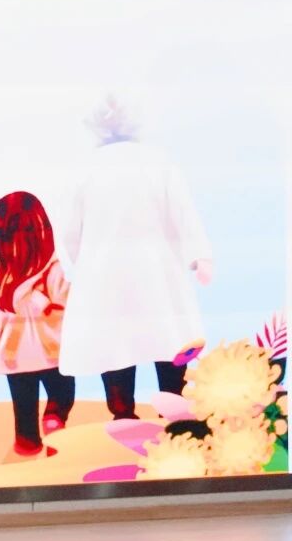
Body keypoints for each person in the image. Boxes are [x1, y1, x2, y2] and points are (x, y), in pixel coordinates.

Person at [58, 95, 213, 419]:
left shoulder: (87, 167)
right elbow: (183, 212)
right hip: (158, 271)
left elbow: (71, 231)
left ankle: (123, 414)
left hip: (105, 275)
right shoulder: (158, 161)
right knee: (169, 341)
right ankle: (175, 411)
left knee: (115, 348)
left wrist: (81, 266)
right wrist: (200, 256)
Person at [0, 192, 76, 461]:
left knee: (23, 405)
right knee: (63, 394)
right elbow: (68, 306)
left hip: (12, 356)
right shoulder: (54, 270)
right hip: (53, 351)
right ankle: (55, 415)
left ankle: (27, 443)